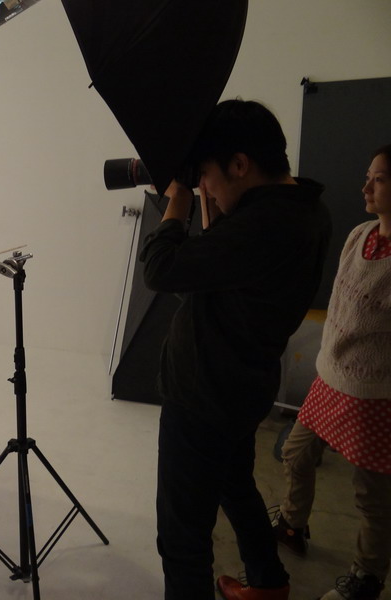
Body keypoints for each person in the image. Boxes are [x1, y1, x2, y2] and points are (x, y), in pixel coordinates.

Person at [140, 99, 332, 600]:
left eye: (206, 174)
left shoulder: (262, 226)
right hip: (244, 386)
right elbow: (219, 280)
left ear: (240, 164)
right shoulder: (306, 208)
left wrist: (177, 198)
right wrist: (211, 204)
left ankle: (262, 583)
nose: (205, 186)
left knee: (182, 538)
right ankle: (268, 581)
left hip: (203, 396)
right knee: (235, 484)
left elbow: (160, 270)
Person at [274, 145, 391, 600]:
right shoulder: (359, 234)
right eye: (368, 176)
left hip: (374, 394)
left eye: (379, 179)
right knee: (297, 453)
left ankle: (367, 576)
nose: (365, 187)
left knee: (372, 495)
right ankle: (291, 524)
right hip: (331, 377)